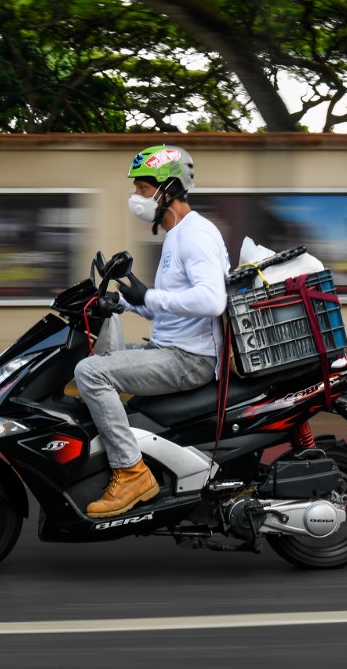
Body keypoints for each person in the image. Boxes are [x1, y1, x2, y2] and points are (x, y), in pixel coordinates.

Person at [76, 144, 231, 519]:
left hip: (189, 359)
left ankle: (131, 473)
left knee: (90, 373)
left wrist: (151, 296)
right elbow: (170, 306)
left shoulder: (196, 235)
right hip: (170, 346)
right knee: (99, 358)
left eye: (143, 190)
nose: (136, 198)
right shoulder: (177, 235)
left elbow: (212, 301)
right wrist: (126, 303)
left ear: (170, 191)